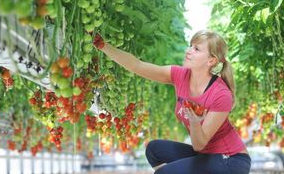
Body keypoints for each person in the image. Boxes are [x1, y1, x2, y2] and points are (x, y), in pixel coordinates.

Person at [93, 30, 251, 174]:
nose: (189, 51)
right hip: (206, 155)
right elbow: (137, 65)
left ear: (211, 60)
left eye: (196, 49)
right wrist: (103, 45)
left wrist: (195, 123)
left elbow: (199, 144)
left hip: (231, 161)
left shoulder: (221, 94)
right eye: (190, 46)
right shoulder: (179, 75)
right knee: (154, 149)